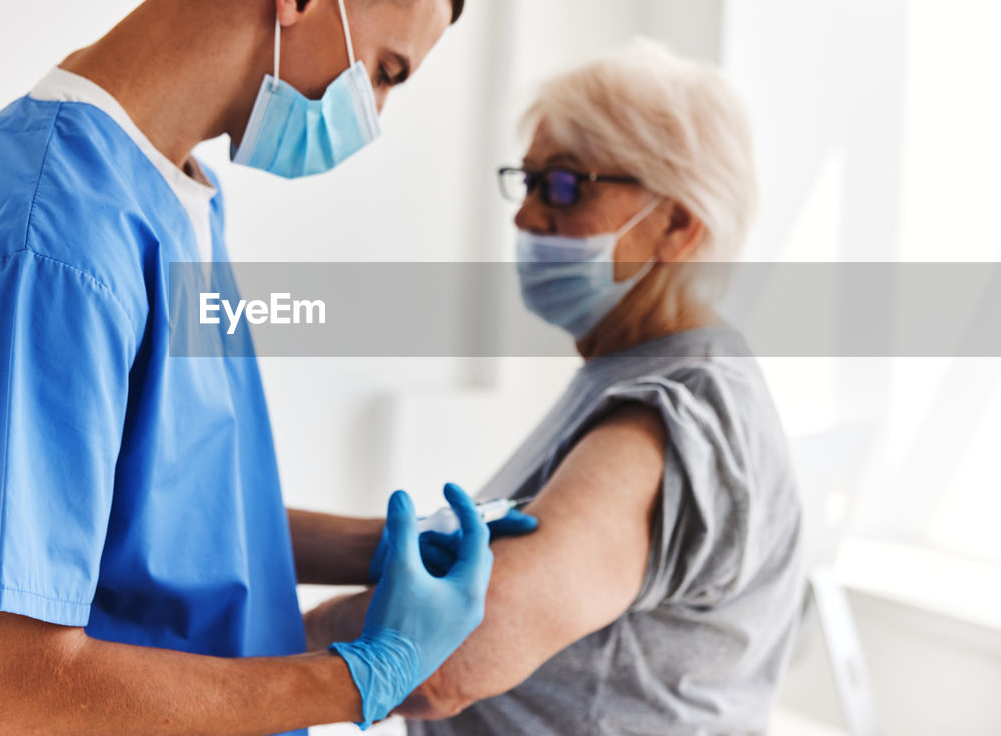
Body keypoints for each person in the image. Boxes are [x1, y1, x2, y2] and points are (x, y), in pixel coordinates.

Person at [0, 0, 536, 734]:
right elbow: (21, 694)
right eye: (387, 73)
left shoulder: (174, 197)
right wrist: (366, 675)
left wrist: (379, 545)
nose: (377, 116)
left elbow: (158, 513)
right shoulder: (45, 246)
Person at [305, 40, 804, 734]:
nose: (526, 217)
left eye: (567, 186)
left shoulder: (668, 416)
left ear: (679, 225)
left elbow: (452, 654)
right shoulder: (635, 370)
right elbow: (453, 552)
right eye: (529, 180)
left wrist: (239, 637)